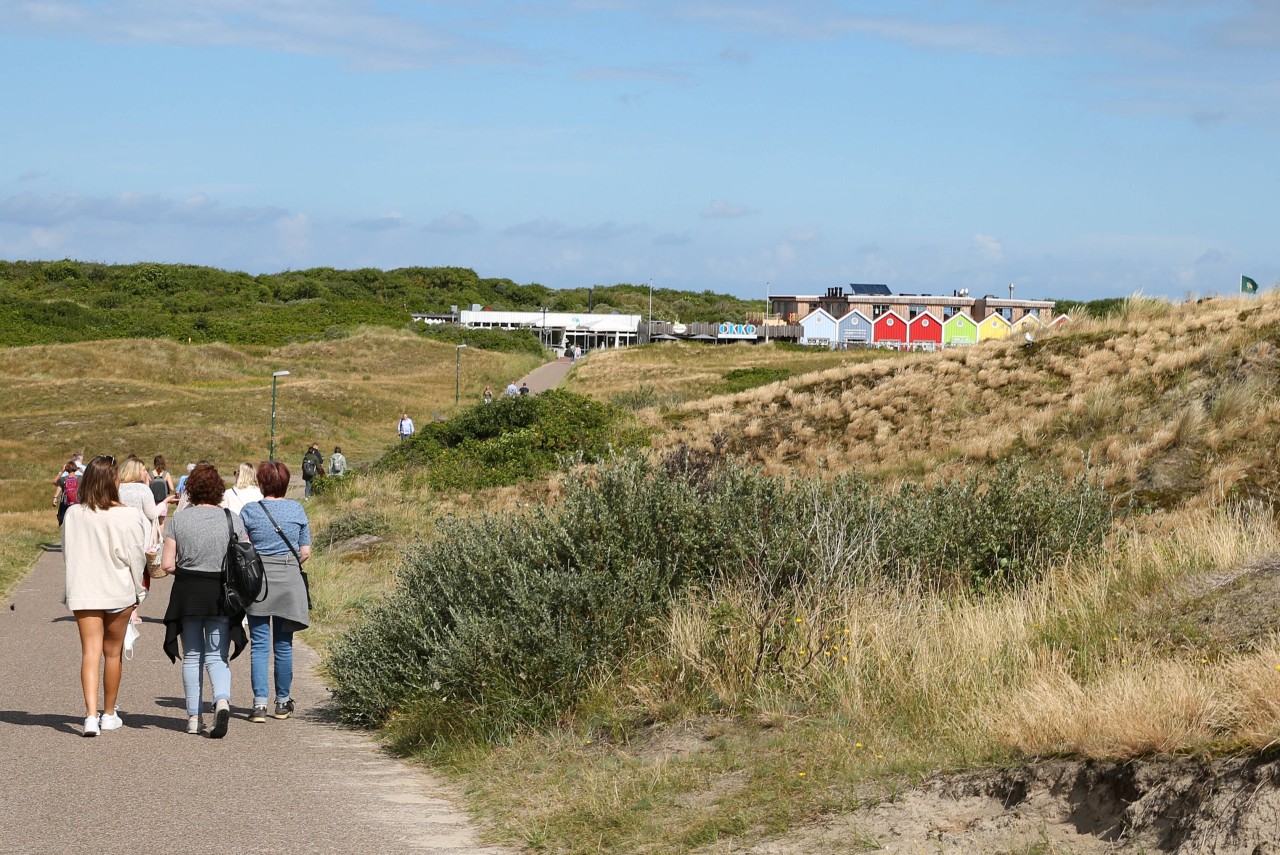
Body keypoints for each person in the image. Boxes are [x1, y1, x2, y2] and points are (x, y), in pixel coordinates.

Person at [62, 455, 148, 736]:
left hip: (84, 590)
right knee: (113, 654)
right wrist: (139, 591)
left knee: (90, 652)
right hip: (118, 591)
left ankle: (89, 715)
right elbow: (136, 558)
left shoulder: (74, 514)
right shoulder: (129, 515)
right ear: (114, 482)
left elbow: (68, 553)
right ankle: (109, 713)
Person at [161, 463, 248, 738]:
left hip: (188, 594)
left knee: (192, 657)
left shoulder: (179, 520)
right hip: (221, 595)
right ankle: (221, 700)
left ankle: (193, 718)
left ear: (191, 489)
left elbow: (166, 565)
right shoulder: (232, 519)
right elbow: (244, 556)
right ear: (218, 490)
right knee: (217, 656)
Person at [239, 461, 311, 723]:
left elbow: (241, 546)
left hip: (259, 582)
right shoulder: (297, 509)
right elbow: (305, 552)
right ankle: (282, 703)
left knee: (259, 645)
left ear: (261, 483)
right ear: (285, 483)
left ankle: (259, 705)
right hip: (289, 581)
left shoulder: (249, 511)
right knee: (284, 645)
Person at [117, 457, 161, 617]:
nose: (146, 472)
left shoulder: (117, 488)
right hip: (140, 534)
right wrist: (165, 503)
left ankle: (124, 607)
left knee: (124, 569)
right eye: (143, 469)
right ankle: (134, 609)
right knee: (141, 570)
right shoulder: (143, 490)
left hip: (120, 534)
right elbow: (152, 513)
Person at [150, 455, 176, 532]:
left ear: (154, 463)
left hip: (152, 502)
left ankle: (154, 540)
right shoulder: (166, 474)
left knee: (154, 522)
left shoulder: (150, 474)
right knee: (161, 522)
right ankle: (160, 539)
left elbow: (146, 488)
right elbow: (172, 488)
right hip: (163, 501)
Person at [52, 461, 79, 526]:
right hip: (77, 502)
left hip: (65, 502)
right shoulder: (80, 478)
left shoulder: (63, 479)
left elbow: (54, 482)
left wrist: (62, 471)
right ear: (75, 468)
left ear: (66, 469)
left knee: (63, 519)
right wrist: (82, 471)